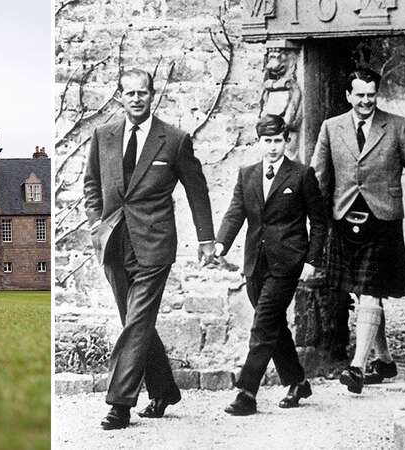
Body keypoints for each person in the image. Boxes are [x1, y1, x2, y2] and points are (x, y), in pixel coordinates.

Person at [83, 68, 216, 430]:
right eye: (130, 93)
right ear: (120, 97)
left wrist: (206, 239)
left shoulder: (173, 139)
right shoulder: (103, 135)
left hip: (155, 244)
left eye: (143, 93)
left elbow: (196, 190)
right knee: (135, 322)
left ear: (152, 95)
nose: (137, 98)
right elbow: (92, 184)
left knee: (137, 321)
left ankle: (119, 404)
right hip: (113, 243)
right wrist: (97, 223)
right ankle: (164, 389)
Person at [310, 68, 405, 394]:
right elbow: (317, 177)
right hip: (344, 218)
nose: (365, 101)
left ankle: (357, 368)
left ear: (377, 94)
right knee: (364, 292)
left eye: (371, 95)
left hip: (383, 220)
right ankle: (385, 359)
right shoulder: (330, 128)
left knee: (370, 289)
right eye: (359, 95)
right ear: (348, 95)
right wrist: (312, 221)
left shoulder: (397, 126)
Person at [215, 114, 327, 415]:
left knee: (263, 324)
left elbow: (318, 221)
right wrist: (220, 244)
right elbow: (235, 213)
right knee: (274, 324)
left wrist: (311, 260)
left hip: (287, 262)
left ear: (286, 141)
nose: (274, 147)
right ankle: (297, 381)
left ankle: (246, 392)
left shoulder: (301, 175)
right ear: (259, 142)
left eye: (278, 140)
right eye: (268, 141)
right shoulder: (247, 173)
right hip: (255, 262)